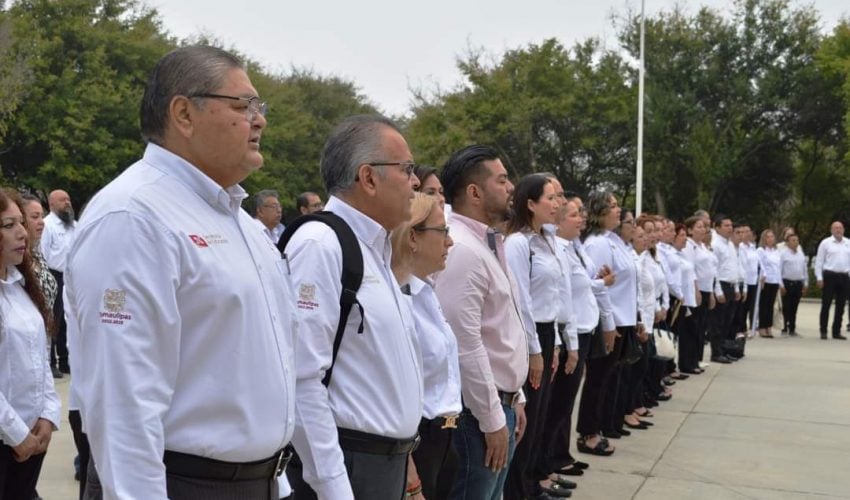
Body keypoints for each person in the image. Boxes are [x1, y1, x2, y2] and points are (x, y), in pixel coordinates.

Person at [65, 45, 297, 499]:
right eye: (243, 105)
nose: (259, 120)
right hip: (182, 484)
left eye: (259, 107)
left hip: (259, 483)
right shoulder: (133, 215)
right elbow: (124, 403)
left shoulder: (239, 221)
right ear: (184, 114)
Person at [285, 115, 423, 500]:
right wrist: (333, 486)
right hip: (346, 466)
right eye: (407, 168)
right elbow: (302, 378)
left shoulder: (373, 249)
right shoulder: (321, 244)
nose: (415, 181)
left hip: (382, 465)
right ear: (368, 177)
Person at [435, 145, 528, 500]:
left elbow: (501, 328)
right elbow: (464, 344)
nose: (511, 188)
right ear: (474, 192)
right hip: (476, 414)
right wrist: (492, 419)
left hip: (498, 403)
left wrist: (515, 398)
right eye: (502, 181)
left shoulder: (486, 242)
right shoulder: (461, 249)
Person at [503, 174, 573, 500]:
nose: (557, 204)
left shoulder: (547, 240)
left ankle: (531, 485)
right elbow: (522, 302)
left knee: (540, 416)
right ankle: (517, 491)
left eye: (558, 198)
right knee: (527, 420)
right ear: (530, 204)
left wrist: (554, 344)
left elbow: (554, 296)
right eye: (550, 198)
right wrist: (534, 351)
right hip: (528, 335)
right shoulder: (519, 243)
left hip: (546, 333)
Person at [389, 193, 459, 500]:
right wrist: (409, 470)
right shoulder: (399, 298)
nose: (450, 242)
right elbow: (394, 390)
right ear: (412, 237)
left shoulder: (426, 291)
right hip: (419, 441)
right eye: (442, 231)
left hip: (445, 436)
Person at [0, 188, 61, 499]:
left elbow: (41, 356)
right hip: (10, 440)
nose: (23, 232)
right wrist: (16, 433)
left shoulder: (20, 287)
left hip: (31, 440)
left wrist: (48, 415)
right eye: (9, 225)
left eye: (21, 223)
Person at [40, 189, 75, 376]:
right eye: (62, 200)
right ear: (51, 204)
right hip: (54, 275)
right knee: (54, 320)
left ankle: (65, 361)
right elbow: (43, 253)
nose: (67, 202)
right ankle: (51, 362)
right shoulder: (47, 225)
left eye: (68, 199)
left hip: (72, 276)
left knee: (69, 319)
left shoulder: (74, 225)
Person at [709, 215, 742, 362]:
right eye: (726, 225)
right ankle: (716, 352)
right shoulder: (716, 244)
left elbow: (733, 267)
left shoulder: (730, 245)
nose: (730, 228)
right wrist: (718, 291)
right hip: (721, 285)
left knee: (727, 321)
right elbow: (714, 269)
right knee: (718, 322)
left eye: (731, 225)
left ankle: (723, 349)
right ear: (717, 228)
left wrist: (736, 288)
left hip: (731, 285)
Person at [814, 221, 850, 340]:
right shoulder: (826, 243)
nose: (838, 230)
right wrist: (819, 277)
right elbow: (819, 261)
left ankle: (836, 331)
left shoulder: (848, 243)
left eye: (840, 228)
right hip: (830, 275)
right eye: (836, 228)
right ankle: (823, 330)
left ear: (843, 230)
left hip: (844, 276)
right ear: (831, 230)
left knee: (841, 305)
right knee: (826, 303)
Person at [779, 233, 808, 337]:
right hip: (787, 283)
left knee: (794, 307)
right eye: (793, 240)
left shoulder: (800, 254)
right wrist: (781, 285)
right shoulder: (783, 254)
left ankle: (792, 328)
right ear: (787, 243)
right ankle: (784, 326)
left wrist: (805, 283)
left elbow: (804, 270)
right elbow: (779, 270)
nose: (796, 242)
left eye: (797, 240)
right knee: (786, 306)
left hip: (798, 283)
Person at [756, 229, 781, 338]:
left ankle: (769, 327)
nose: (770, 239)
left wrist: (780, 282)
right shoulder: (761, 250)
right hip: (765, 280)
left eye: (772, 237)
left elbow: (778, 267)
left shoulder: (776, 251)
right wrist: (763, 276)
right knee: (764, 305)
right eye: (768, 237)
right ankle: (762, 327)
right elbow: (761, 264)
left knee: (771, 306)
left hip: (774, 280)